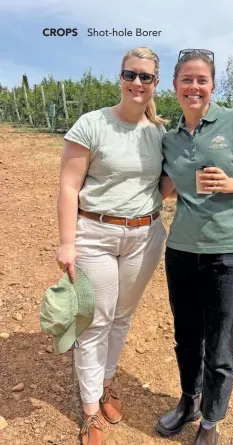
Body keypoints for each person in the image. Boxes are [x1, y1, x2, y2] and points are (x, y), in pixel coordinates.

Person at [157, 49, 233, 445]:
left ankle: (211, 421)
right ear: (174, 86)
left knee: (221, 343)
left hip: (232, 254)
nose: (194, 87)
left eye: (201, 80)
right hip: (181, 252)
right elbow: (168, 187)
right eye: (186, 80)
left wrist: (231, 184)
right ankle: (189, 401)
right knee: (186, 337)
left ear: (212, 85)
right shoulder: (170, 139)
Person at [56, 47, 167, 445]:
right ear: (120, 78)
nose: (137, 83)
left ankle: (106, 381)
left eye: (146, 77)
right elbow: (69, 186)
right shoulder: (92, 124)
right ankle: (89, 410)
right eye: (130, 74)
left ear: (156, 83)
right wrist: (67, 242)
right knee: (94, 321)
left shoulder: (159, 133)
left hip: (145, 235)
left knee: (122, 317)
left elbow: (164, 187)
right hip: (96, 234)